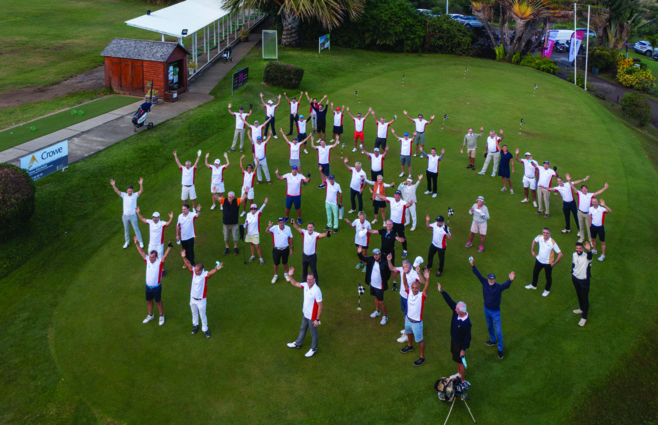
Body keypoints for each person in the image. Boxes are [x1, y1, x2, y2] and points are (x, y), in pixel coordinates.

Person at [469, 257, 514, 360]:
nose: (490, 280)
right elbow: (478, 274)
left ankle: (500, 349)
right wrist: (473, 265)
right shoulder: (484, 282)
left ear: (495, 280)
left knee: (498, 331)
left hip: (495, 312)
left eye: (492, 279)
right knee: (489, 326)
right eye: (489, 278)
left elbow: (506, 285)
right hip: (486, 309)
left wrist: (510, 280)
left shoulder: (498, 287)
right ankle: (493, 341)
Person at [181, 250, 223, 338]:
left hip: (201, 300)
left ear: (201, 270)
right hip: (192, 298)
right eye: (195, 270)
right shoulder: (193, 271)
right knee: (194, 313)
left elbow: (210, 272)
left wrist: (216, 268)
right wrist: (184, 257)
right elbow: (188, 264)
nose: (195, 272)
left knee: (202, 315)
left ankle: (205, 329)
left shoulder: (204, 275)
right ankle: (195, 325)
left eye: (197, 271)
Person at [133, 236, 172, 326]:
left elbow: (165, 256)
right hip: (148, 287)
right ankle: (150, 315)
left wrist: (169, 247)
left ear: (156, 257)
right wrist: (136, 243)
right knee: (149, 301)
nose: (150, 258)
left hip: (156, 287)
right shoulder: (147, 260)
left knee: (158, 301)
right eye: (150, 257)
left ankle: (161, 316)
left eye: (152, 257)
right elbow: (141, 252)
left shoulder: (159, 262)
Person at [285, 267, 323, 358]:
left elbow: (320, 306)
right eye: (308, 279)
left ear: (314, 280)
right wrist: (290, 275)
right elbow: (294, 283)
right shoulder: (305, 285)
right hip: (305, 314)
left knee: (313, 333)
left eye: (310, 279)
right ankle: (298, 343)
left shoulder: (316, 290)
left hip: (312, 317)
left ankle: (314, 349)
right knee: (303, 328)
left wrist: (317, 319)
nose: (309, 281)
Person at [437, 284, 472, 380]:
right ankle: (458, 374)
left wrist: (463, 349)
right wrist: (442, 291)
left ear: (461, 312)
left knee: (461, 362)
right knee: (457, 359)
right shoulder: (457, 311)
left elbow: (467, 338)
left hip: (460, 344)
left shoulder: (466, 323)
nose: (454, 309)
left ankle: (463, 381)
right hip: (454, 340)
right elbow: (450, 301)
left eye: (456, 309)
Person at [399, 267, 431, 366]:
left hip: (417, 322)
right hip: (408, 320)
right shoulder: (409, 293)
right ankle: (410, 346)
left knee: (420, 340)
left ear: (419, 288)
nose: (414, 289)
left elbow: (426, 288)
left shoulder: (422, 296)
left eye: (416, 288)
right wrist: (404, 274)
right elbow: (404, 283)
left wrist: (427, 279)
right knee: (408, 333)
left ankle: (422, 357)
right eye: (413, 288)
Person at [389, 258, 425, 344]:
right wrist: (389, 260)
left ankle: (406, 334)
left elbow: (422, 281)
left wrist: (419, 272)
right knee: (405, 315)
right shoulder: (402, 270)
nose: (403, 268)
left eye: (405, 266)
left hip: (409, 299)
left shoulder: (413, 273)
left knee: (406, 316)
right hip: (402, 296)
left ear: (409, 266)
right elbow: (392, 268)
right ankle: (407, 329)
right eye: (403, 266)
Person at [368, 220, 406, 290]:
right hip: (382, 253)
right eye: (387, 224)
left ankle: (394, 283)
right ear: (386, 225)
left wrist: (400, 240)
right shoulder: (383, 231)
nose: (388, 226)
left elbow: (396, 238)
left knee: (392, 268)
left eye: (390, 224)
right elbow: (374, 231)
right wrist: (366, 230)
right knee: (379, 265)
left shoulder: (393, 234)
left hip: (390, 255)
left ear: (392, 225)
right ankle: (379, 279)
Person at [525, 227, 563, 297]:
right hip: (539, 260)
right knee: (535, 272)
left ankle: (547, 290)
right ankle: (533, 285)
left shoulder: (552, 242)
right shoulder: (540, 237)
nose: (545, 234)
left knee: (548, 277)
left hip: (548, 263)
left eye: (547, 233)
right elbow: (534, 240)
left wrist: (554, 263)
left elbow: (560, 254)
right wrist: (532, 250)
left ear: (549, 234)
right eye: (544, 233)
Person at [358, 247, 391, 325]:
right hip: (373, 284)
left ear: (380, 254)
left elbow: (388, 274)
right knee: (375, 297)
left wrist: (384, 280)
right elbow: (363, 258)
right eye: (374, 254)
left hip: (380, 286)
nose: (375, 256)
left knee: (381, 301)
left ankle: (385, 316)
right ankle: (377, 311)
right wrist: (359, 253)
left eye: (377, 254)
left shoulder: (384, 263)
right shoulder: (371, 260)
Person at [135, 207, 173, 275]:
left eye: (156, 217)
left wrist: (171, 218)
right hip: (151, 244)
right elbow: (142, 219)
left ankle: (162, 270)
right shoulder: (150, 222)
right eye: (153, 217)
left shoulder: (162, 223)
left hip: (159, 245)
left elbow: (168, 223)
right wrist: (138, 212)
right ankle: (152, 270)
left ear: (159, 217)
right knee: (150, 258)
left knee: (161, 259)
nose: (154, 218)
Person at [571, 178, 609, 243]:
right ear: (581, 189)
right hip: (580, 212)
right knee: (581, 226)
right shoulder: (579, 193)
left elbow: (598, 193)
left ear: (587, 189)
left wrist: (604, 188)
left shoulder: (590, 195)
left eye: (585, 188)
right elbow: (572, 187)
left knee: (589, 227)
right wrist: (569, 180)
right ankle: (582, 238)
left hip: (587, 214)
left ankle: (590, 240)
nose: (584, 190)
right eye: (583, 188)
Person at [110, 178, 144, 249]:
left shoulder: (134, 195)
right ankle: (127, 242)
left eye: (131, 191)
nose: (130, 192)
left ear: (132, 191)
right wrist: (113, 185)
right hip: (125, 216)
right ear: (127, 191)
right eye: (129, 191)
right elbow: (117, 191)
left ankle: (140, 242)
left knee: (136, 229)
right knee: (126, 230)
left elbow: (141, 191)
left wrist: (141, 184)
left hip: (133, 215)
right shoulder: (124, 195)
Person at [379, 190, 414, 258]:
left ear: (400, 196)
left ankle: (405, 250)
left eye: (398, 195)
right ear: (394, 195)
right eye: (396, 194)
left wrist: (410, 203)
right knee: (392, 235)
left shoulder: (403, 202)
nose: (397, 196)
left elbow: (407, 205)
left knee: (402, 237)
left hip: (400, 224)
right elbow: (383, 197)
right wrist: (374, 193)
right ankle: (392, 246)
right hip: (392, 223)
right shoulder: (391, 200)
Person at [213, 190, 247, 255]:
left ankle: (235, 247)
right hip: (226, 223)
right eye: (229, 197)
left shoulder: (237, 201)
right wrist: (215, 193)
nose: (229, 198)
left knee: (235, 237)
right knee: (226, 237)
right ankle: (227, 247)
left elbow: (242, 198)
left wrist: (246, 193)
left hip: (234, 223)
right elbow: (217, 198)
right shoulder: (224, 200)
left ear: (233, 197)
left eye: (231, 197)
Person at [266, 218, 295, 284]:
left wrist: (291, 248)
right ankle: (275, 275)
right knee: (276, 263)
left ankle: (286, 274)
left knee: (285, 262)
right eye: (279, 222)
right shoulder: (274, 228)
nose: (281, 223)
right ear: (278, 223)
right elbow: (267, 231)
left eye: (282, 222)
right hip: (276, 249)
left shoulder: (288, 228)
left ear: (284, 222)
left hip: (285, 249)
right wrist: (269, 226)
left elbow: (290, 238)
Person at [572, 241, 593, 327]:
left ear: (583, 249)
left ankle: (584, 318)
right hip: (575, 278)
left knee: (584, 298)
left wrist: (589, 250)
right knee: (579, 295)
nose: (578, 250)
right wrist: (572, 272)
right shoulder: (574, 254)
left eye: (580, 248)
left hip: (584, 280)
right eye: (577, 248)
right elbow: (573, 264)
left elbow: (590, 256)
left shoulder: (587, 257)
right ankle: (581, 309)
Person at [244, 198, 268, 264]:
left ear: (256, 209)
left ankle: (260, 258)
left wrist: (264, 203)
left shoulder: (258, 214)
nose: (253, 210)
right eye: (252, 208)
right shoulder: (248, 214)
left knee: (257, 246)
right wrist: (244, 225)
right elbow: (246, 221)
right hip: (249, 233)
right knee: (251, 244)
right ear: (250, 209)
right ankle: (253, 255)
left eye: (254, 208)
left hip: (255, 233)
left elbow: (261, 209)